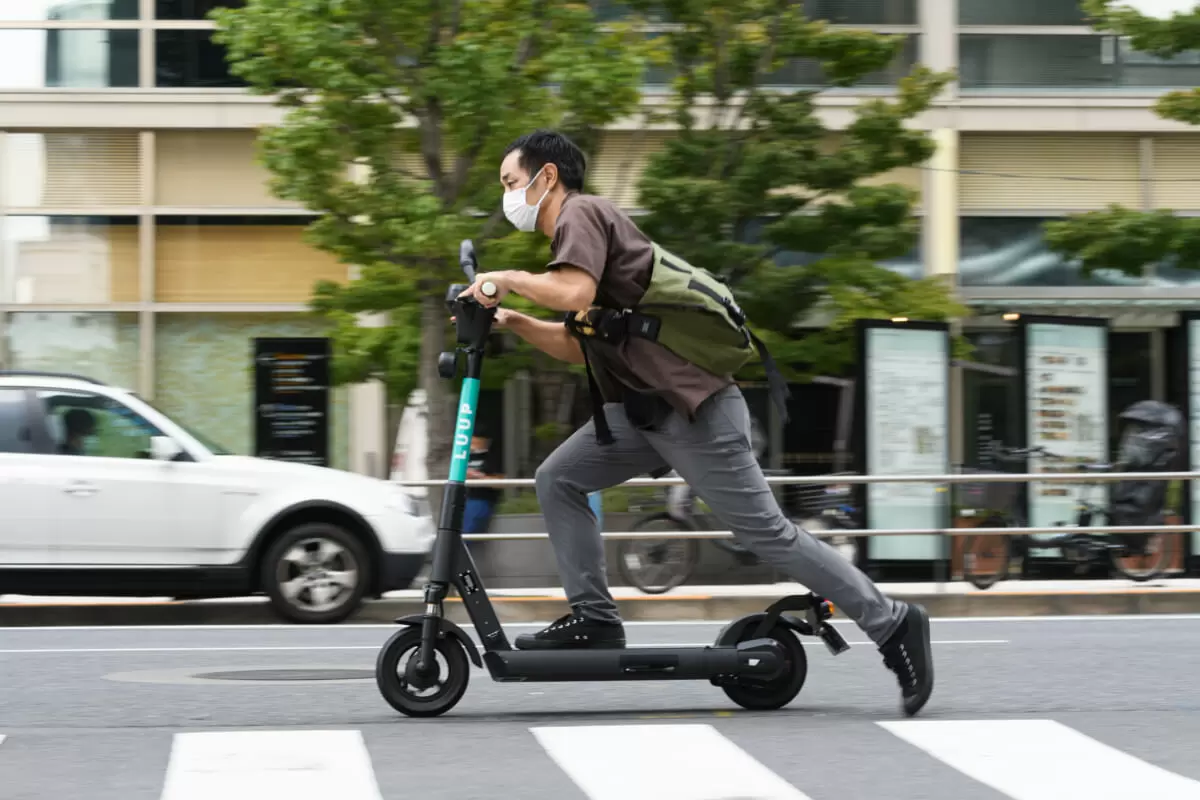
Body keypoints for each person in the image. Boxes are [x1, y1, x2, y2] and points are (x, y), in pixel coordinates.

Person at [458, 129, 934, 717]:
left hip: (696, 412)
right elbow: (575, 342)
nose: (508, 198)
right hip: (641, 416)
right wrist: (513, 320)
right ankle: (594, 619)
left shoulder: (583, 214)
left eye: (510, 183)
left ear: (546, 177)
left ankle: (893, 624)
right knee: (559, 478)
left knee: (768, 535)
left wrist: (505, 277)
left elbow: (570, 291)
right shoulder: (573, 244)